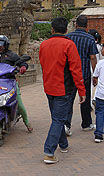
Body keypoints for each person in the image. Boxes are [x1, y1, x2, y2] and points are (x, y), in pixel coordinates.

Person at [39, 17, 86, 164]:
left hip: (49, 86)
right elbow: (76, 70)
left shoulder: (43, 45)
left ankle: (64, 145)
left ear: (52, 29)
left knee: (56, 118)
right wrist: (82, 91)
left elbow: (43, 65)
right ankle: (49, 151)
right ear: (66, 30)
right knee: (59, 120)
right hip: (63, 89)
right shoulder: (68, 45)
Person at [64, 15, 98, 136]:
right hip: (84, 74)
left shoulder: (68, 38)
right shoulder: (89, 39)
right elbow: (93, 57)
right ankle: (86, 123)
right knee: (85, 98)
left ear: (76, 25)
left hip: (69, 74)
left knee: (68, 99)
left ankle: (66, 125)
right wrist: (95, 75)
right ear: (87, 26)